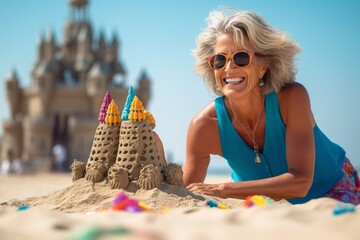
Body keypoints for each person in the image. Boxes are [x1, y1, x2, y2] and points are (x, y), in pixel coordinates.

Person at [183, 9, 359, 205]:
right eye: (220, 59)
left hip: (333, 190)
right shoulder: (204, 126)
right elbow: (182, 194)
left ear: (263, 67)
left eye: (241, 57)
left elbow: (301, 183)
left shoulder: (292, 98)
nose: (228, 68)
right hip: (260, 204)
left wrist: (221, 189)